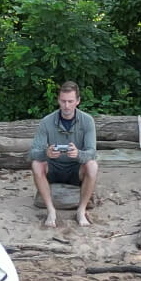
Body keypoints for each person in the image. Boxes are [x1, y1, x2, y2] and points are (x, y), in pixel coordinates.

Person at [28, 81, 99, 227]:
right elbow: (33, 153)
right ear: (58, 100)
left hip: (76, 168)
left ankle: (81, 210)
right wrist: (46, 153)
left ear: (78, 101)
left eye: (70, 101)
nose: (66, 106)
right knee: (36, 164)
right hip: (53, 167)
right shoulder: (46, 121)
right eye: (63, 101)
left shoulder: (87, 121)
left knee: (92, 166)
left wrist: (78, 154)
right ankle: (51, 210)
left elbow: (92, 152)